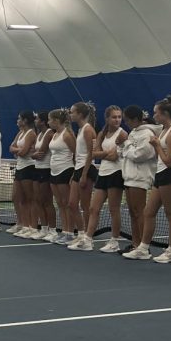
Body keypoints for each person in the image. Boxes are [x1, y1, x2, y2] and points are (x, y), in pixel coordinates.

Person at [73, 105, 127, 251]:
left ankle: (114, 241)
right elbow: (94, 154)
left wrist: (102, 153)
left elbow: (114, 155)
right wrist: (105, 153)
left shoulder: (123, 134)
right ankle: (88, 240)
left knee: (113, 209)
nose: (117, 120)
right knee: (93, 208)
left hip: (116, 174)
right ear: (107, 118)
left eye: (119, 117)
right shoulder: (102, 133)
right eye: (114, 117)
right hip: (102, 173)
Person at [141, 95, 171, 264]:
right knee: (148, 212)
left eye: (156, 113)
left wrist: (157, 145)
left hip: (170, 173)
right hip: (160, 174)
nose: (155, 116)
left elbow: (169, 161)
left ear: (165, 114)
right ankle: (143, 248)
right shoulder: (163, 130)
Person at [120, 105, 159, 259]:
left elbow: (140, 155)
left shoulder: (147, 134)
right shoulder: (133, 132)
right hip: (129, 177)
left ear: (136, 119)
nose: (126, 123)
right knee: (132, 213)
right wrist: (126, 146)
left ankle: (144, 247)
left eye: (127, 120)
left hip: (140, 178)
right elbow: (127, 153)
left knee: (139, 212)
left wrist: (126, 145)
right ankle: (136, 244)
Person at [66, 102, 96, 244]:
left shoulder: (88, 130)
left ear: (80, 114)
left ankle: (87, 237)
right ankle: (81, 232)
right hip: (78, 169)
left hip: (87, 170)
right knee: (72, 204)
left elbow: (91, 153)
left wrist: (84, 174)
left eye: (72, 112)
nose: (70, 115)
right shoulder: (80, 130)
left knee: (85, 205)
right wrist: (75, 174)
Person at [47, 109, 76, 244]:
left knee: (67, 204)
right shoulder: (54, 134)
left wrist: (75, 173)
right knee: (60, 204)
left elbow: (76, 153)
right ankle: (64, 231)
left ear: (56, 121)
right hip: (54, 171)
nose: (48, 122)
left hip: (65, 170)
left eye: (50, 120)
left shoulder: (67, 135)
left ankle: (70, 233)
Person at [8, 112, 38, 238]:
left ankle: (32, 226)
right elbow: (11, 147)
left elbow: (24, 152)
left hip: (29, 167)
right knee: (17, 197)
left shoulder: (31, 133)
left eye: (19, 118)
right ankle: (24, 225)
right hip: (20, 167)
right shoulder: (20, 132)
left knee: (29, 198)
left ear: (25, 120)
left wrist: (19, 151)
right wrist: (18, 151)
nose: (17, 120)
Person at [29, 111, 57, 241]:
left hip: (46, 170)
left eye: (37, 119)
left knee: (47, 202)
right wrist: (33, 154)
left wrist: (33, 154)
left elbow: (40, 153)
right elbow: (34, 153)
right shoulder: (39, 134)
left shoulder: (49, 133)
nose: (35, 121)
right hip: (37, 169)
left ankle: (52, 230)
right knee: (38, 200)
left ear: (43, 121)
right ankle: (44, 229)